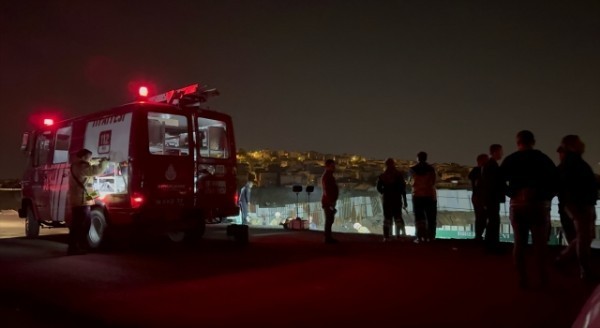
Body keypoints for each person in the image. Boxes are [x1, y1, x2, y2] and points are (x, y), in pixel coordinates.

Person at [501, 130, 558, 288]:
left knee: (519, 243)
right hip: (539, 204)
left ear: (518, 142)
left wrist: (512, 193)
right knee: (540, 244)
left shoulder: (511, 159)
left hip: (517, 205)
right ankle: (543, 278)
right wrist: (546, 196)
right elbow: (556, 180)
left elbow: (498, 181)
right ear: (533, 141)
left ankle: (523, 279)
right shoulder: (543, 159)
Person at [555, 135, 598, 281]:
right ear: (572, 145)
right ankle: (584, 271)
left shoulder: (571, 163)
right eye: (579, 142)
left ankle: (563, 258)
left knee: (585, 237)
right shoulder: (574, 163)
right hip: (581, 205)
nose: (583, 144)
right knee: (584, 238)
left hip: (582, 204)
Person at [68, 148, 108, 255]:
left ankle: (76, 247)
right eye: (89, 157)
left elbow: (86, 186)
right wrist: (105, 162)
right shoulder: (82, 166)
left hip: (81, 199)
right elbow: (96, 171)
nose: (90, 159)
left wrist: (95, 196)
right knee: (81, 225)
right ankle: (74, 248)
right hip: (81, 201)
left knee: (81, 224)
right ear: (83, 157)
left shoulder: (77, 165)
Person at [481, 144, 505, 253]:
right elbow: (493, 184)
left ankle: (490, 244)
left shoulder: (489, 165)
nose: (502, 153)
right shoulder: (492, 165)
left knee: (492, 221)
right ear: (495, 152)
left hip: (490, 198)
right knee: (494, 221)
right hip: (492, 198)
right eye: (500, 151)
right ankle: (492, 245)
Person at [377, 158, 408, 241]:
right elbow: (403, 189)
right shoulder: (398, 175)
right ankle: (399, 235)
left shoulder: (382, 176)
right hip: (397, 199)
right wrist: (405, 201)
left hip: (387, 199)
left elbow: (379, 188)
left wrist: (385, 192)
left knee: (387, 218)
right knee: (398, 217)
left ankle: (386, 236)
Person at [409, 151, 437, 243]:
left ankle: (420, 237)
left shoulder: (412, 169)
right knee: (431, 218)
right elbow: (433, 182)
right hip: (429, 195)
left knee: (419, 218)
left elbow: (410, 182)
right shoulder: (431, 169)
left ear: (418, 158)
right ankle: (431, 237)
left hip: (417, 196)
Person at [468, 153, 489, 241]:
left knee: (479, 217)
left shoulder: (474, 171)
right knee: (483, 216)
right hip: (480, 197)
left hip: (476, 197)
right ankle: (480, 235)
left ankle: (478, 235)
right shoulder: (481, 171)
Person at [321, 159, 339, 244]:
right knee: (329, 220)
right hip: (328, 202)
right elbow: (327, 190)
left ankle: (328, 237)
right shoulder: (327, 177)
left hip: (329, 201)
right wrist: (330, 202)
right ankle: (327, 238)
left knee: (330, 220)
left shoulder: (328, 176)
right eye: (332, 166)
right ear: (327, 167)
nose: (334, 167)